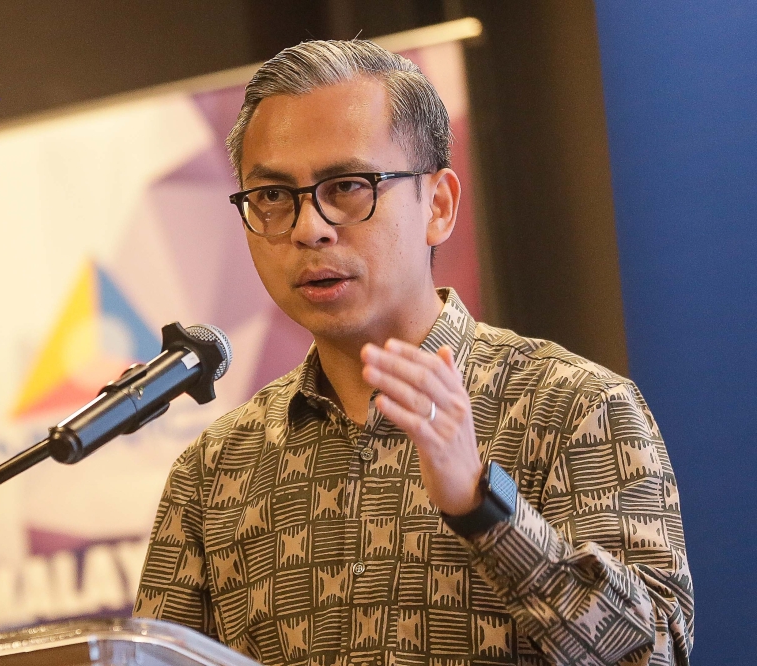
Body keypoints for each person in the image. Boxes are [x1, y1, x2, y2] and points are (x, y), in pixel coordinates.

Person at [134, 40, 693, 666]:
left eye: (347, 186)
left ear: (441, 205)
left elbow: (652, 655)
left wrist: (482, 503)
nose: (307, 227)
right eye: (271, 196)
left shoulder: (575, 408)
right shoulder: (215, 472)